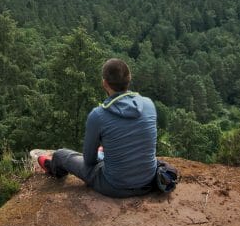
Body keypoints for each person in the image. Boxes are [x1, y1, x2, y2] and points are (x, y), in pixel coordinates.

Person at [40, 58, 159, 198]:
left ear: (105, 83)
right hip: (148, 181)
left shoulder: (98, 115)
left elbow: (89, 161)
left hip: (114, 186)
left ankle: (53, 167)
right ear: (129, 79)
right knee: (105, 151)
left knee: (61, 155)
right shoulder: (149, 104)